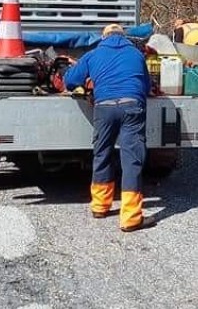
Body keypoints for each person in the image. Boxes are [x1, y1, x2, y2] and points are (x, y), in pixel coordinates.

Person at [63, 23, 155, 232]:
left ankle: (100, 207)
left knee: (102, 153)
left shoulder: (94, 54)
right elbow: (148, 86)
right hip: (132, 105)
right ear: (125, 37)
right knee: (132, 159)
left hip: (104, 108)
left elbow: (70, 81)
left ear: (103, 37)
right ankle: (131, 218)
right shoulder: (136, 54)